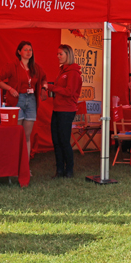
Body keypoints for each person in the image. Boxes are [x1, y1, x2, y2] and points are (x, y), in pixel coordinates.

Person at [0, 41, 48, 157]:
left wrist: (44, 87)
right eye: (26, 50)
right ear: (19, 52)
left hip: (31, 101)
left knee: (26, 136)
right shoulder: (12, 66)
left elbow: (44, 78)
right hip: (17, 101)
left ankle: (26, 167)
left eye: (30, 50)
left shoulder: (36, 67)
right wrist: (10, 89)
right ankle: (14, 165)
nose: (29, 52)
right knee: (17, 134)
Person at [47, 44, 82, 178]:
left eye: (60, 54)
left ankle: (69, 170)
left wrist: (52, 88)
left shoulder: (72, 72)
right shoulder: (63, 71)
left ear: (68, 55)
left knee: (64, 140)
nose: (58, 56)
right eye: (57, 54)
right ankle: (60, 169)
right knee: (56, 140)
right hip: (57, 109)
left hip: (66, 110)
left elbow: (69, 92)